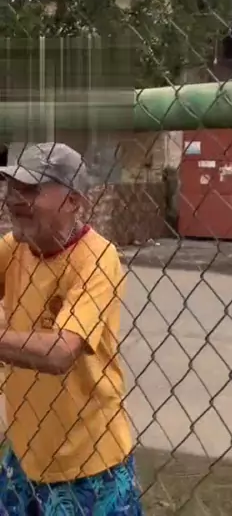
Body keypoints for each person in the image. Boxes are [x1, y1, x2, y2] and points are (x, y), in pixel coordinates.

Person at [0, 142, 143, 514]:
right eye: (12, 186)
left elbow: (61, 352)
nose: (14, 199)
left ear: (74, 201)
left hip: (88, 464)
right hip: (25, 455)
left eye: (31, 189)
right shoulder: (13, 249)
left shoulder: (97, 257)